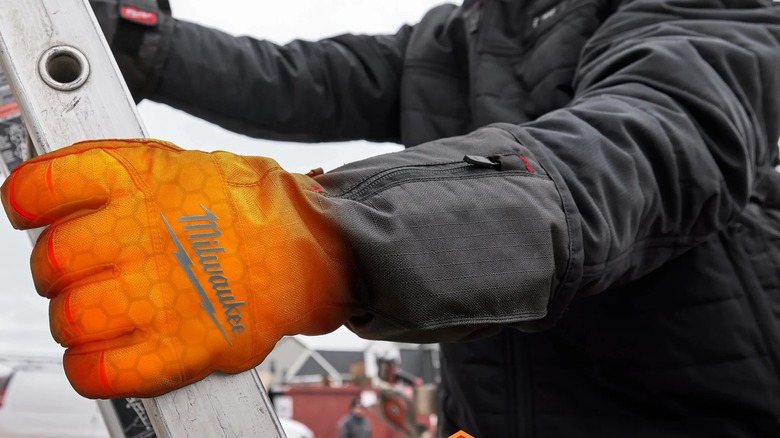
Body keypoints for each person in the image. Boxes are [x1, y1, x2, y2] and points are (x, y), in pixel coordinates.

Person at [2, 0, 780, 436]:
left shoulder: (699, 8)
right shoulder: (460, 36)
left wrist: (327, 237)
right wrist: (138, 38)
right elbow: (298, 79)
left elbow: (641, 153)